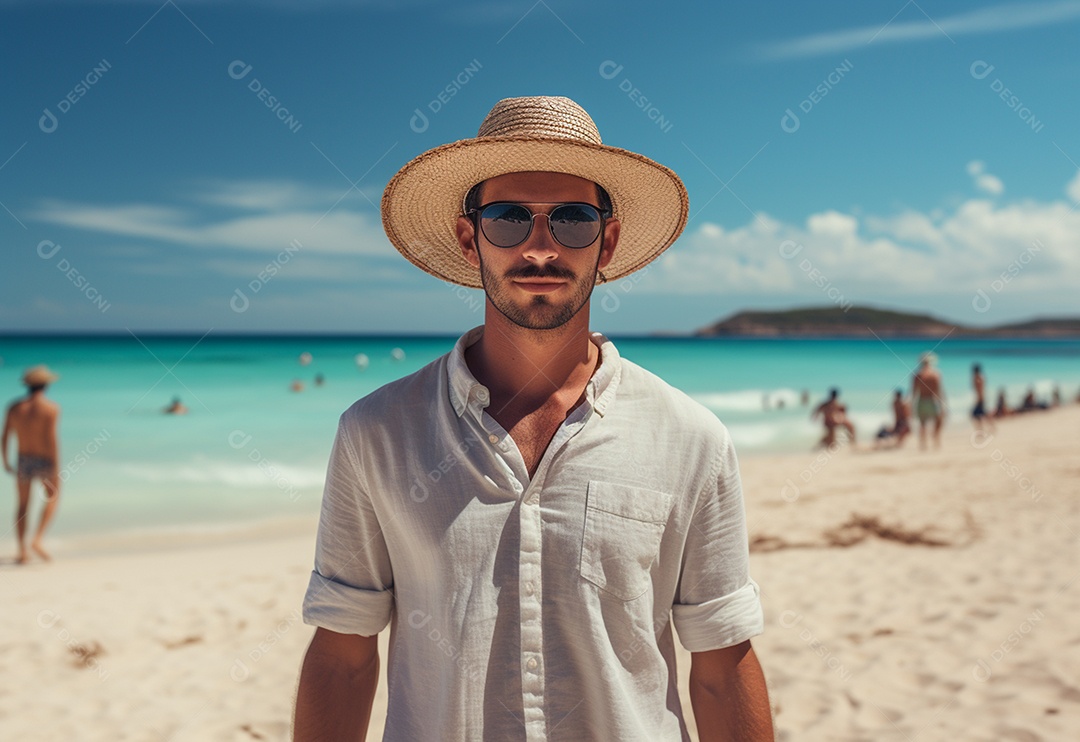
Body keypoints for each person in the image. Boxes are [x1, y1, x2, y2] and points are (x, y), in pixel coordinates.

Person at [293, 96, 772, 741]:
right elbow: (344, 656)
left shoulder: (690, 439)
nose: (541, 247)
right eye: (508, 218)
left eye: (573, 219)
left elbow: (719, 665)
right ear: (470, 239)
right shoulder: (377, 433)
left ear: (608, 240)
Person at [2, 366, 62, 564]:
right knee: (53, 496)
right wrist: (56, 466)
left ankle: (22, 552)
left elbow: (5, 436)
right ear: (46, 385)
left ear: (27, 385)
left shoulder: (14, 407)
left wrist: (5, 460)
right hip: (44, 459)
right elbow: (51, 439)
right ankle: (37, 538)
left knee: (22, 505)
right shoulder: (51, 408)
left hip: (23, 459)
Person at [912, 352, 946, 449]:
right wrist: (943, 404)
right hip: (932, 400)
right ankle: (936, 439)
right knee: (938, 421)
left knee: (922, 423)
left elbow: (914, 392)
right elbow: (939, 392)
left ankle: (923, 444)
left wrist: (912, 406)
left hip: (922, 400)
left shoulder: (918, 375)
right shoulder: (935, 374)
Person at [970, 364, 994, 434]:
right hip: (981, 399)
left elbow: (979, 390)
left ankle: (982, 429)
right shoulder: (981, 377)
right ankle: (987, 428)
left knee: (976, 415)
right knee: (981, 415)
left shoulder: (977, 378)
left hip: (980, 399)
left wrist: (978, 399)